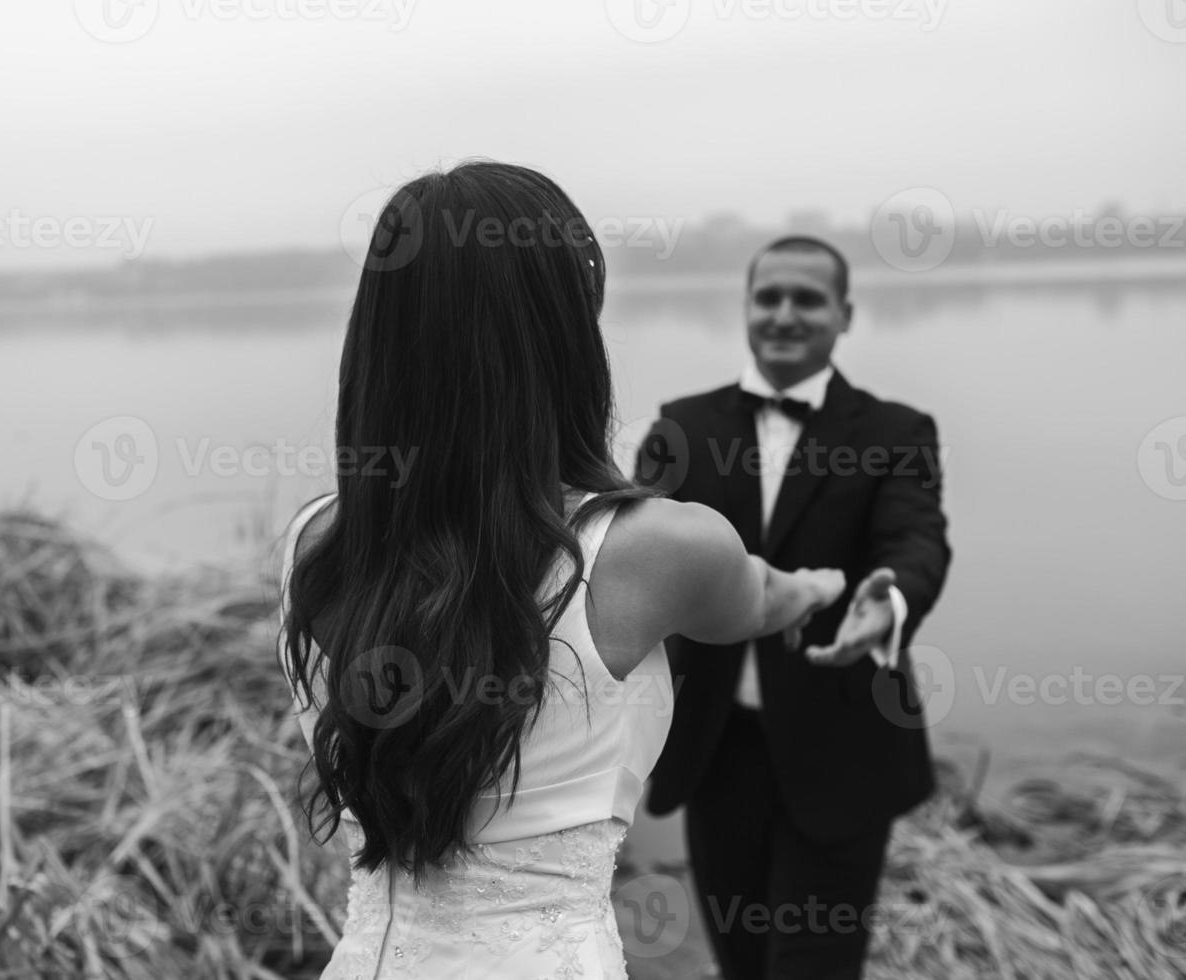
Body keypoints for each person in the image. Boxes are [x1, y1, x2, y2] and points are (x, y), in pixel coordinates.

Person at [277, 163, 847, 979]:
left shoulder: (312, 545)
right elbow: (763, 600)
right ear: (567, 336)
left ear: (379, 336)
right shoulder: (657, 548)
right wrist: (826, 587)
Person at [639, 235, 953, 980]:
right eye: (768, 296)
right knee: (742, 963)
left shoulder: (896, 432)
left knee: (815, 967)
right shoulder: (683, 427)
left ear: (845, 315)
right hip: (716, 750)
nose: (784, 314)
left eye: (807, 299)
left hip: (846, 748)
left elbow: (917, 539)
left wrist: (893, 595)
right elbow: (628, 542)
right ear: (746, 308)